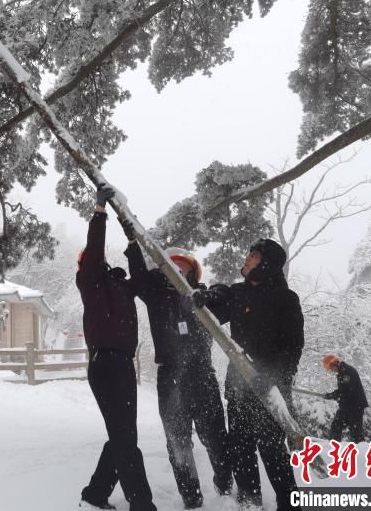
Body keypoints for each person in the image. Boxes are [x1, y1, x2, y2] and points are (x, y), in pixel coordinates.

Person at [121, 221, 231, 509]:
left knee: (216, 438)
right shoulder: (156, 296)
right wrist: (133, 244)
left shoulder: (202, 297)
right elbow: (140, 277)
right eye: (172, 266)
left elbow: (227, 298)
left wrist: (208, 296)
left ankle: (225, 485)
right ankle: (192, 500)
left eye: (183, 266)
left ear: (193, 271)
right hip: (170, 377)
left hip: (202, 375)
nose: (178, 271)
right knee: (178, 444)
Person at [192, 239, 304, 511]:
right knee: (240, 448)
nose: (246, 258)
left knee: (273, 452)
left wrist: (274, 377)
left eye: (253, 255)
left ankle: (290, 506)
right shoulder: (239, 293)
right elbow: (217, 304)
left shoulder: (285, 298)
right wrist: (204, 297)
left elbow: (293, 346)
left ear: (267, 263)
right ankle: (249, 502)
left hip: (269, 389)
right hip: (238, 387)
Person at [76, 184, 156, 511]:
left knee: (123, 436)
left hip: (123, 364)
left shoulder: (121, 287)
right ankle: (142, 505)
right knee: (125, 438)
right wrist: (100, 213)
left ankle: (95, 494)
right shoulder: (89, 281)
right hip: (105, 364)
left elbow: (144, 281)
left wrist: (133, 241)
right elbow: (94, 251)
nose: (87, 259)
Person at [322, 354, 368, 443]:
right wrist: (335, 396)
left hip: (355, 406)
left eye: (331, 368)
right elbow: (343, 391)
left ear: (335, 363)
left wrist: (332, 395)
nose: (331, 370)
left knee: (355, 433)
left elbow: (346, 390)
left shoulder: (347, 372)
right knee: (336, 426)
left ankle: (362, 452)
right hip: (347, 406)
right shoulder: (342, 372)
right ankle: (334, 448)